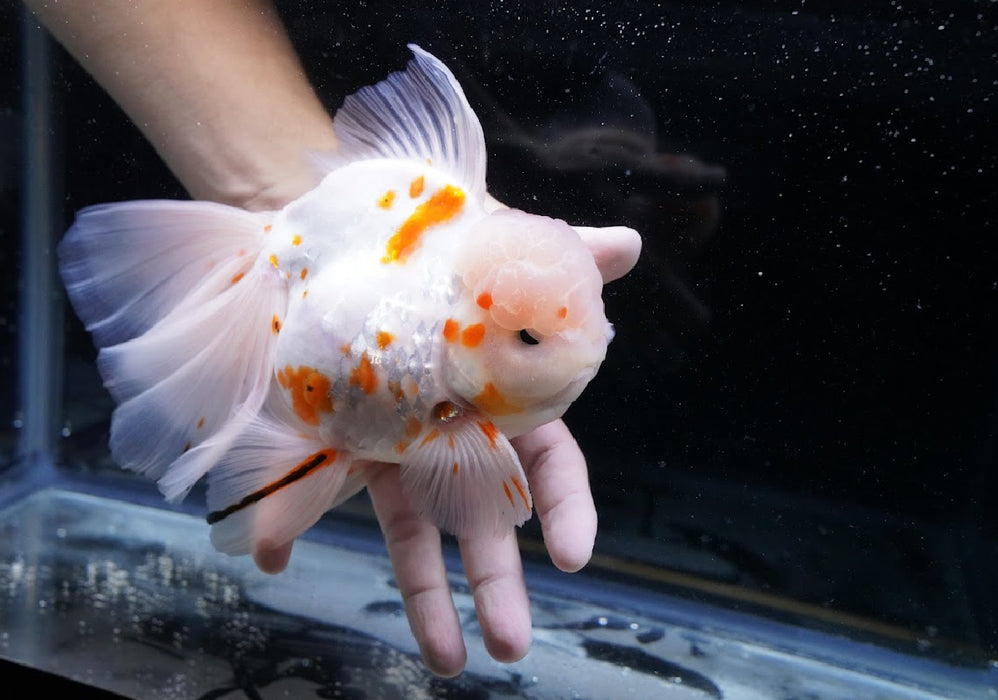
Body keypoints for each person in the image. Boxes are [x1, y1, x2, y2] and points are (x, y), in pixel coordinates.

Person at [25, 0, 638, 677]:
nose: (593, 345)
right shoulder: (444, 386)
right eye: (527, 338)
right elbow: (468, 474)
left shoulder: (487, 318)